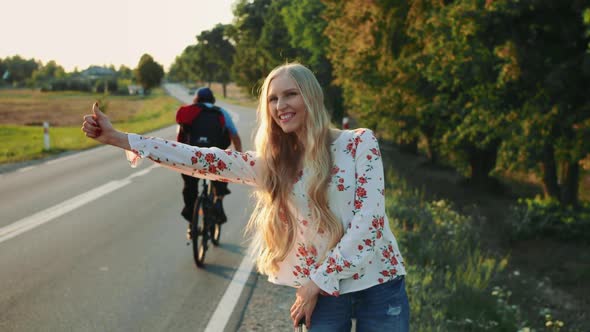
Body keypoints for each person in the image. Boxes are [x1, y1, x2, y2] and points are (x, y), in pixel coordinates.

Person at [82, 63, 409, 331]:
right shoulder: (273, 165)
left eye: (290, 94)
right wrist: (120, 138)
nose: (281, 106)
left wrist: (315, 283)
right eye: (273, 99)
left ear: (311, 96)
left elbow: (370, 224)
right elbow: (202, 159)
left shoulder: (358, 144)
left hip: (378, 284)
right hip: (324, 294)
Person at [175, 87, 242, 224]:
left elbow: (180, 138)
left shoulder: (190, 112)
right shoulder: (221, 112)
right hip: (215, 158)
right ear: (213, 100)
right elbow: (234, 136)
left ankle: (191, 220)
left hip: (191, 157)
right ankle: (218, 201)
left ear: (196, 99)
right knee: (221, 179)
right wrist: (239, 156)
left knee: (190, 187)